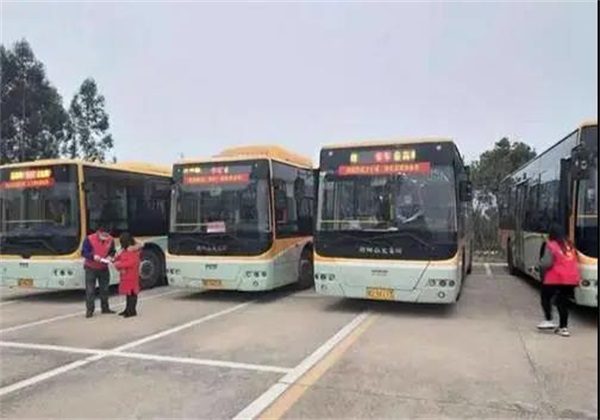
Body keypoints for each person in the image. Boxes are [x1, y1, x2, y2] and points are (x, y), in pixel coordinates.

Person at [537, 223, 581, 337]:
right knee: (563, 302)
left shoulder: (551, 245)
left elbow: (547, 263)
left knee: (545, 296)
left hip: (556, 277)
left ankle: (548, 320)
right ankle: (563, 327)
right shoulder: (570, 245)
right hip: (571, 279)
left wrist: (540, 265)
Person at [81, 225, 116, 318]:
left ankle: (105, 308)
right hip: (90, 267)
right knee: (90, 290)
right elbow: (84, 252)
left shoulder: (110, 239)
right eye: (104, 235)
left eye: (107, 235)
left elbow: (112, 251)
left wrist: (110, 256)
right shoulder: (89, 239)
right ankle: (89, 310)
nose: (106, 237)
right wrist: (92, 256)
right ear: (98, 232)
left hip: (103, 267)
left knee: (105, 289)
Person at [113, 232, 141, 318]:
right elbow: (118, 258)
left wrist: (118, 264)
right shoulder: (124, 250)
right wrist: (116, 257)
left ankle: (132, 310)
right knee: (128, 294)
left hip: (132, 275)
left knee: (132, 293)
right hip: (126, 275)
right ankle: (127, 309)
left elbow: (131, 262)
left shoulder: (133, 250)